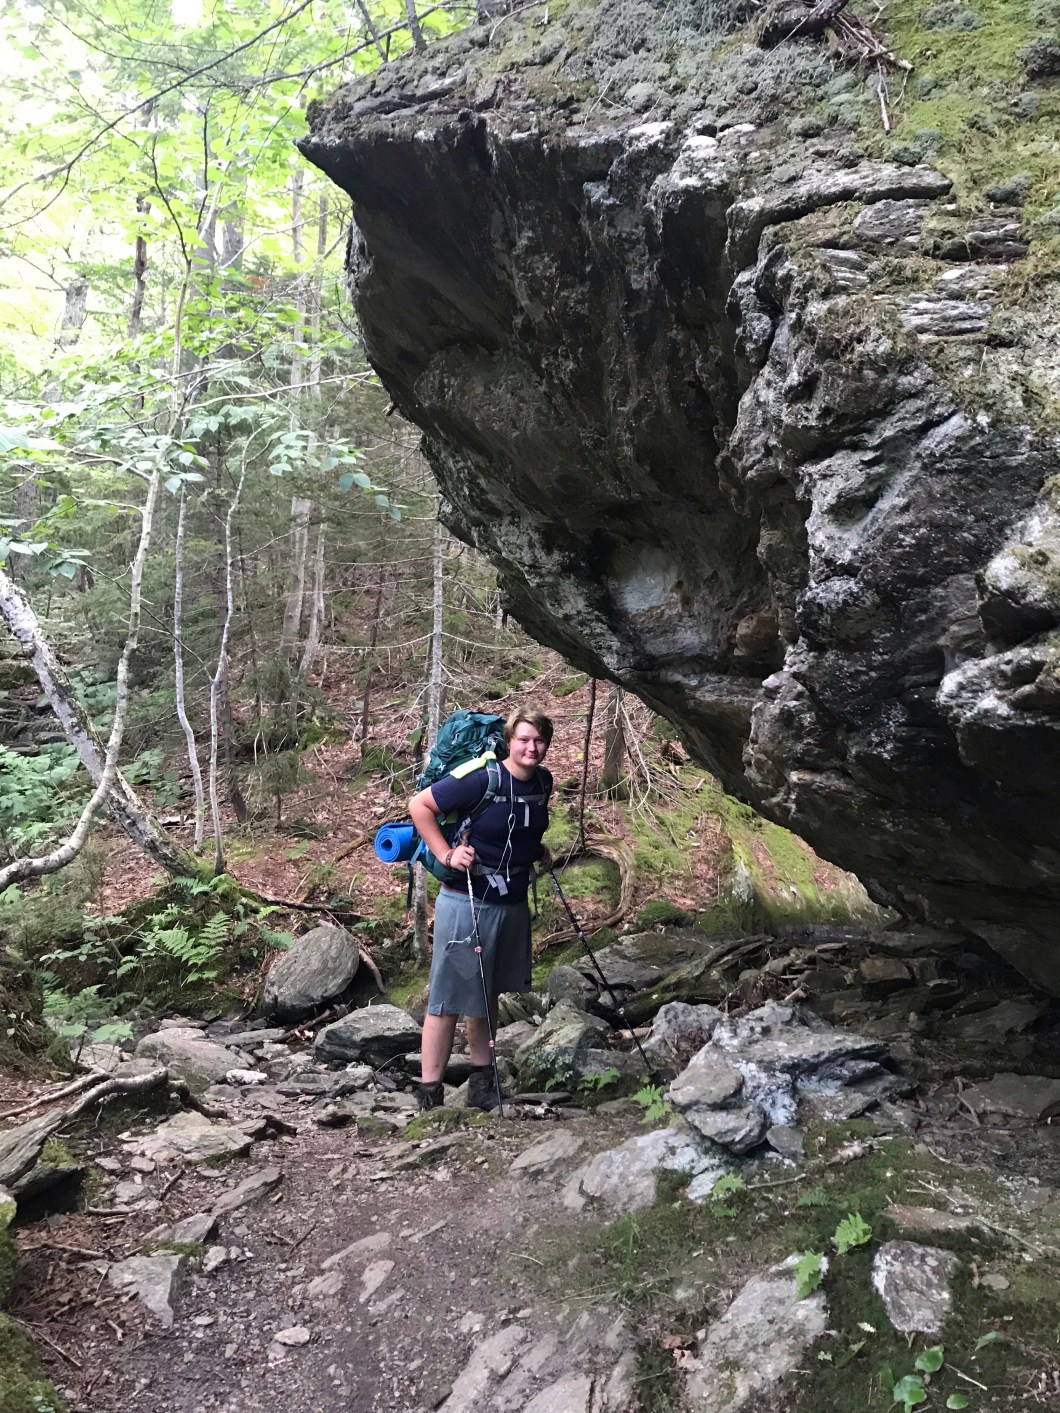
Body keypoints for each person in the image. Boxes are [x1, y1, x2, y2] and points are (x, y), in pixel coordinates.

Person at [408, 707, 554, 1111]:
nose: (531, 747)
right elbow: (419, 806)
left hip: (511, 902)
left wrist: (535, 849)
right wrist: (446, 853)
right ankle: (430, 1094)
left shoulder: (543, 782)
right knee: (446, 998)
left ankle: (482, 1085)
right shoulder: (480, 778)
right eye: (523, 739)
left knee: (486, 992)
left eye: (539, 740)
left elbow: (514, 826)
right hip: (465, 899)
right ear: (509, 741)